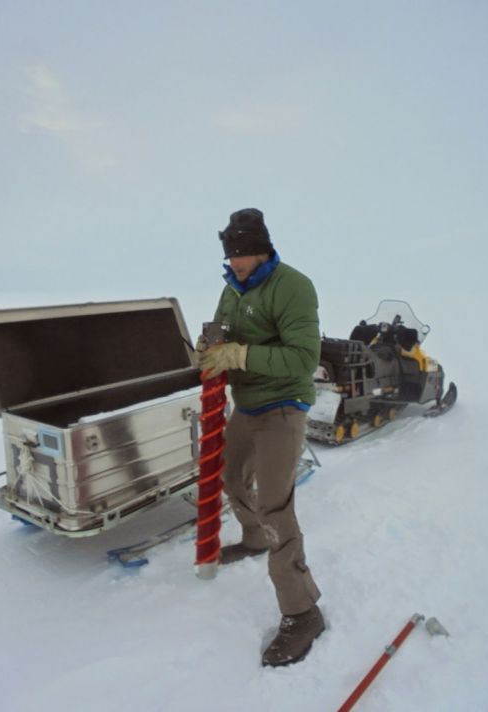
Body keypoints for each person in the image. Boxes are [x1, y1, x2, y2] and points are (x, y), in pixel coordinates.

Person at [198, 208, 325, 667]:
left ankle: (303, 610)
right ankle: (254, 538)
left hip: (283, 408)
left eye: (244, 255)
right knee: (229, 478)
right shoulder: (232, 288)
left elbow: (302, 360)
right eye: (231, 256)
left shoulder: (292, 286)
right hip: (247, 406)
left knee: (276, 505)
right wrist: (212, 346)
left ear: (263, 248)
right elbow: (223, 333)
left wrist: (240, 353)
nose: (236, 264)